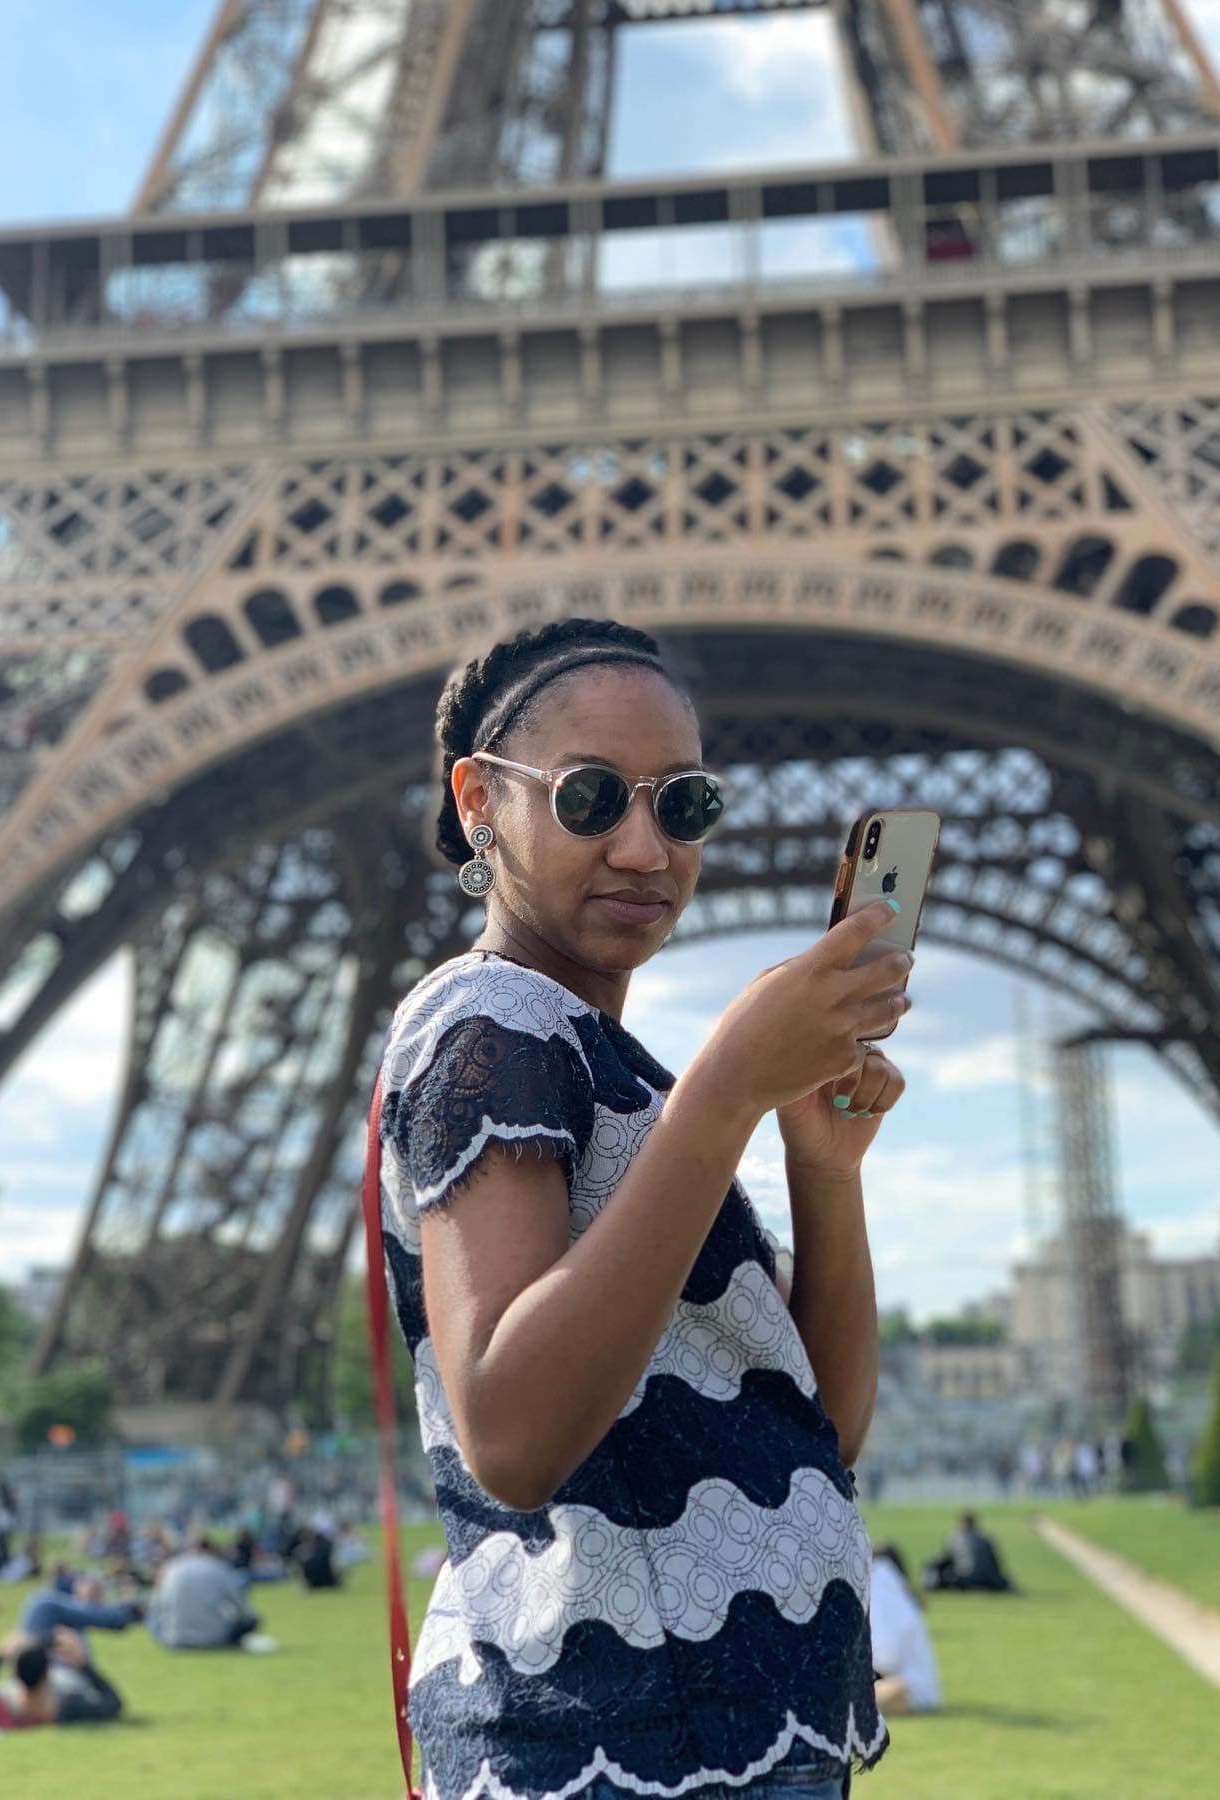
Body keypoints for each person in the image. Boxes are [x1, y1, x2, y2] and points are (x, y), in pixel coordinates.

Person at [378, 619, 909, 1800]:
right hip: (617, 1747)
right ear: (480, 801)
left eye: (684, 804)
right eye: (591, 797)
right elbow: (510, 1436)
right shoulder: (490, 1026)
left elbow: (817, 1434)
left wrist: (822, 1167)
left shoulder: (612, 1068)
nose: (643, 844)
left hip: (729, 1741)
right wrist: (724, 1092)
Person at [0, 1626, 123, 1729]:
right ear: (47, 1674)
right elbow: (114, 1704)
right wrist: (84, 1665)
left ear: (14, 1674)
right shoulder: (69, 1708)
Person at [869, 1546, 941, 1716]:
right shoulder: (891, 1589)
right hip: (914, 1687)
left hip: (907, 1688)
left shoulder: (878, 1588)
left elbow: (887, 1658)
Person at [148, 1541, 261, 1648]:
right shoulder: (219, 1568)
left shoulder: (171, 1568)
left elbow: (155, 1607)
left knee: (153, 1619)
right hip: (214, 1638)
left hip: (174, 1639)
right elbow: (242, 1610)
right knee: (250, 1621)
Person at [19, 1572, 143, 1647]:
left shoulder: (49, 1602)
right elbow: (106, 1618)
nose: (99, 1601)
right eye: (95, 1594)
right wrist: (132, 1610)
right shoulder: (47, 1605)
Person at [924, 1512, 1015, 1593]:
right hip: (987, 1579)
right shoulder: (985, 1539)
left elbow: (947, 1559)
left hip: (963, 1579)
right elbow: (996, 1563)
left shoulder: (954, 1538)